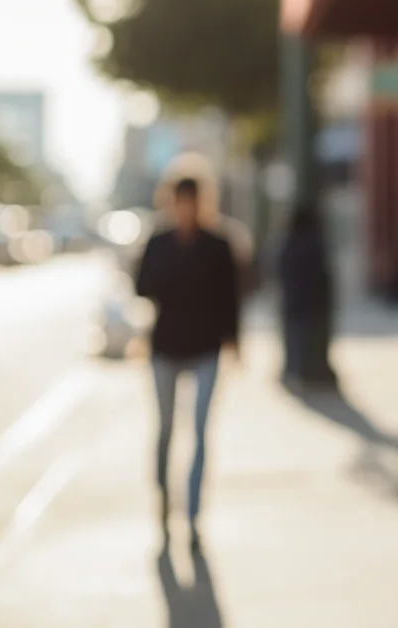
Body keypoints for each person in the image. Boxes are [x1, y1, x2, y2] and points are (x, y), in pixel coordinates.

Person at [135, 177, 240, 549]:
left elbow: (232, 296)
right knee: (165, 430)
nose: (186, 209)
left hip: (206, 348)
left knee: (199, 432)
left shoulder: (218, 243)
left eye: (192, 202)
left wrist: (234, 342)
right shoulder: (159, 242)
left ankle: (193, 516)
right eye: (180, 202)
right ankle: (164, 497)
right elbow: (141, 286)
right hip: (165, 348)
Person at [278, 204, 339, 392]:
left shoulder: (289, 243)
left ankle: (298, 371)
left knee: (296, 340)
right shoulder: (315, 243)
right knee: (313, 341)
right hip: (314, 305)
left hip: (295, 304)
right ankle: (312, 372)